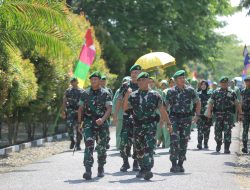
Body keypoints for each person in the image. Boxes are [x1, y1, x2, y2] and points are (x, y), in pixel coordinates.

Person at [124, 72, 172, 180]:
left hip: (150, 125)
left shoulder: (155, 95)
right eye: (139, 81)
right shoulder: (134, 95)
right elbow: (126, 108)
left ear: (148, 81)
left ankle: (147, 169)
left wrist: (168, 123)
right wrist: (127, 95)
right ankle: (142, 168)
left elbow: (162, 110)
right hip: (137, 126)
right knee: (139, 149)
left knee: (149, 148)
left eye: (143, 80)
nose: (140, 82)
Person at [78, 71, 112, 180]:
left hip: (102, 123)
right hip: (89, 123)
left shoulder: (105, 93)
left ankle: (101, 167)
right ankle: (88, 170)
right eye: (92, 79)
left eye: (95, 79)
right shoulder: (85, 93)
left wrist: (102, 119)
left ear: (99, 81)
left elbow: (109, 109)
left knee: (101, 147)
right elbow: (80, 109)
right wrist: (79, 123)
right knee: (89, 145)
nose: (93, 81)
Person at [165, 70, 201, 173]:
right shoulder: (171, 91)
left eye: (183, 78)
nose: (182, 80)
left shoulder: (190, 90)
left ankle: (180, 164)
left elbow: (198, 102)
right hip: (174, 118)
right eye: (180, 78)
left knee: (184, 141)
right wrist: (166, 120)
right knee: (174, 141)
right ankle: (173, 164)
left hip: (186, 119)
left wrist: (197, 115)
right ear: (175, 80)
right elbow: (165, 106)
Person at [113, 64, 142, 172]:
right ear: (131, 74)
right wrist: (115, 115)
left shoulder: (142, 84)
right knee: (124, 141)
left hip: (139, 117)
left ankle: (136, 162)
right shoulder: (125, 85)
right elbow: (119, 101)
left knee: (137, 141)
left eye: (137, 72)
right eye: (133, 73)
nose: (135, 74)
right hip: (126, 116)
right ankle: (125, 162)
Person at [207, 76, 243, 154]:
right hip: (218, 114)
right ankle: (218, 143)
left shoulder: (232, 92)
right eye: (222, 83)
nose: (224, 84)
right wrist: (209, 112)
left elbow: (237, 103)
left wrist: (240, 113)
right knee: (217, 131)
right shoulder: (215, 92)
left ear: (228, 83)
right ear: (220, 83)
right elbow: (210, 103)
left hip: (228, 115)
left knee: (227, 131)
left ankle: (226, 147)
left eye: (225, 83)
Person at [61, 77, 83, 150]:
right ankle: (72, 140)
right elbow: (64, 101)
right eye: (72, 82)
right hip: (70, 111)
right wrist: (63, 111)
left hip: (79, 111)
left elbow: (85, 103)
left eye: (74, 81)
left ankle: (78, 144)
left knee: (79, 127)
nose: (73, 83)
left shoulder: (82, 91)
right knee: (69, 126)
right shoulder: (68, 91)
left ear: (77, 82)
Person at [112, 76, 131, 149]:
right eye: (124, 81)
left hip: (129, 115)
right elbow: (114, 102)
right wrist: (114, 115)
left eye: (128, 81)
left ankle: (127, 147)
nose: (126, 83)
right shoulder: (119, 91)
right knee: (119, 131)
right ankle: (119, 146)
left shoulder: (131, 90)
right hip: (120, 115)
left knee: (128, 132)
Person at [196, 80, 212, 149]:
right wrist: (196, 114)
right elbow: (195, 105)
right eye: (202, 84)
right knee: (200, 129)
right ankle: (199, 143)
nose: (203, 86)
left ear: (207, 86)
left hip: (207, 114)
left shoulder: (210, 94)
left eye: (205, 84)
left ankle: (205, 143)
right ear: (200, 86)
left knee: (207, 130)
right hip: (200, 114)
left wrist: (211, 113)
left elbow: (212, 104)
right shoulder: (198, 94)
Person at [100, 75, 113, 149]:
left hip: (107, 112)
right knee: (98, 128)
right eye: (102, 80)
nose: (103, 82)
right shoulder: (97, 90)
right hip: (99, 112)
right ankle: (99, 143)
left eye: (104, 80)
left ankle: (107, 140)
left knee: (106, 127)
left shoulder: (109, 90)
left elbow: (111, 101)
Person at [240, 76, 250, 153]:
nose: (248, 83)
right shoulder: (243, 91)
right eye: (246, 81)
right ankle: (245, 147)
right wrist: (240, 113)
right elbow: (241, 103)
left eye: (249, 81)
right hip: (246, 113)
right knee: (245, 130)